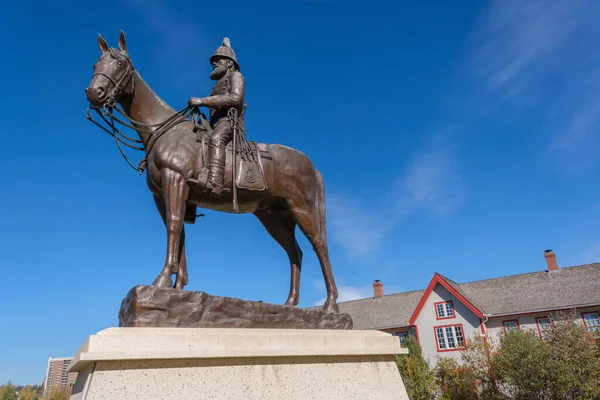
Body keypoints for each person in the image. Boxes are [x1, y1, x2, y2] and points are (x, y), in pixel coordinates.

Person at [188, 37, 245, 196]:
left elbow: (235, 98)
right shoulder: (216, 86)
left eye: (219, 60)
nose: (214, 62)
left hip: (230, 124)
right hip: (215, 124)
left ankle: (215, 182)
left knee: (216, 138)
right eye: (214, 60)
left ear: (230, 63)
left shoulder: (236, 77)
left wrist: (202, 101)